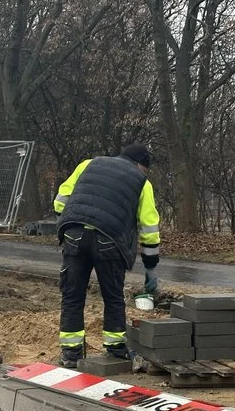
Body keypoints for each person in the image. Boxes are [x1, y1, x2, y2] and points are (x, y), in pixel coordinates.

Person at [53, 141, 161, 368]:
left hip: (75, 235)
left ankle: (70, 354)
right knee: (112, 297)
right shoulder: (142, 182)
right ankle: (115, 349)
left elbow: (60, 200)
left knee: (72, 295)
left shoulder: (88, 164)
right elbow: (149, 229)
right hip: (109, 240)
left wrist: (70, 223)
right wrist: (151, 268)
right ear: (141, 165)